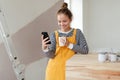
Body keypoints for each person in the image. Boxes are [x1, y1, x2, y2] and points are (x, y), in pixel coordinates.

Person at [41, 2, 89, 80]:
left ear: (70, 19)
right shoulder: (54, 34)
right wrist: (45, 48)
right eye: (59, 21)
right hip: (54, 70)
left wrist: (69, 44)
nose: (62, 24)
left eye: (64, 21)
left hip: (71, 70)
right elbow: (51, 55)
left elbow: (85, 50)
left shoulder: (77, 33)